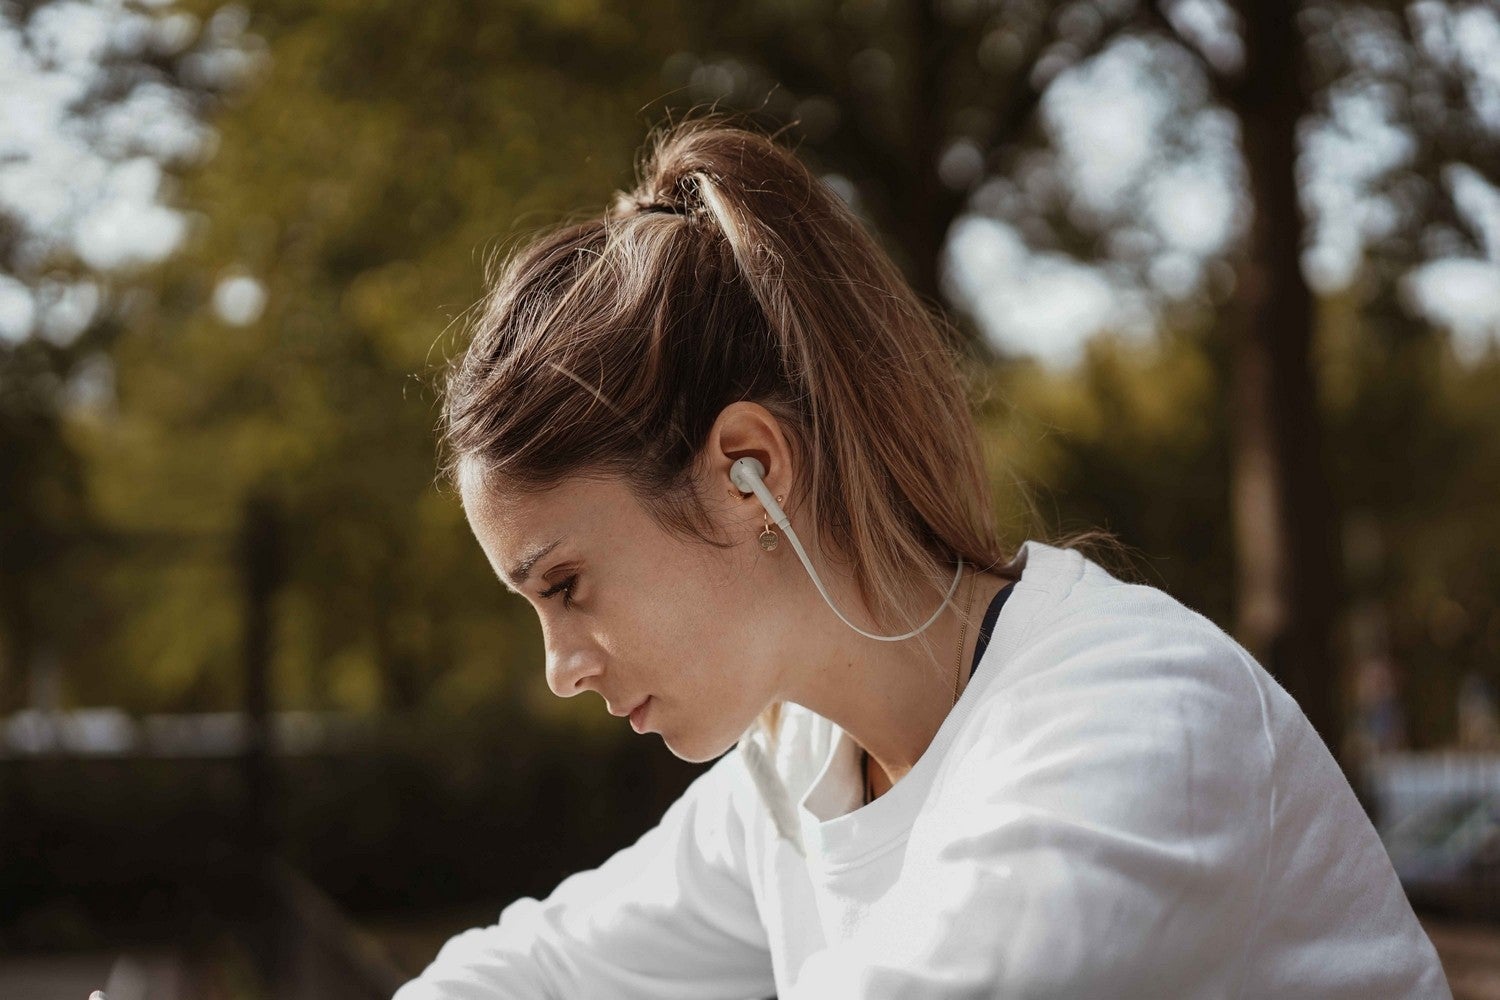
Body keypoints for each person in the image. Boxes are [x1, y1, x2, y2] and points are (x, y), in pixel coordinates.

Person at [395, 116, 1451, 999]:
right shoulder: (799, 764)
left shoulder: (1132, 725)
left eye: (566, 585)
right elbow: (535, 970)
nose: (561, 665)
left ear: (747, 468)